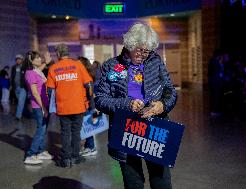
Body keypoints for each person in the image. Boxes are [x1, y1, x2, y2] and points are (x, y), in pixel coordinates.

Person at [95, 22, 177, 189]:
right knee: (133, 182)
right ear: (130, 44)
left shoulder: (156, 62)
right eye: (140, 49)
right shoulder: (111, 66)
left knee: (161, 181)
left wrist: (163, 105)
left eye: (147, 51)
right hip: (126, 129)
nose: (144, 54)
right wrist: (127, 104)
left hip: (155, 128)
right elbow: (101, 100)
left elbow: (170, 91)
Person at [46, 44, 94, 167]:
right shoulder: (78, 65)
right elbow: (88, 84)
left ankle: (66, 158)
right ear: (68, 53)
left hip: (63, 107)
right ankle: (75, 156)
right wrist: (91, 103)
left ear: (58, 54)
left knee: (65, 133)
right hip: (78, 106)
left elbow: (50, 90)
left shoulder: (53, 68)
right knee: (76, 132)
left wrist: (52, 106)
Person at [23, 51, 53, 165]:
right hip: (39, 106)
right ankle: (30, 154)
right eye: (38, 58)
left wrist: (46, 62)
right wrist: (43, 109)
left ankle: (40, 151)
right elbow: (35, 93)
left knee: (44, 129)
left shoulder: (36, 71)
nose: (40, 59)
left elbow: (40, 69)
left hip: (45, 104)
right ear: (31, 60)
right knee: (40, 130)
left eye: (40, 58)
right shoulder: (30, 73)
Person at [78, 57, 98, 157]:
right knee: (86, 127)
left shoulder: (87, 78)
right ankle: (88, 146)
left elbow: (90, 95)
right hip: (85, 105)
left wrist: (93, 109)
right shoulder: (85, 76)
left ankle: (91, 147)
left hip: (87, 106)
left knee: (87, 127)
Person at [11, 54, 27, 120]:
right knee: (21, 102)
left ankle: (18, 116)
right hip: (15, 87)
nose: (18, 60)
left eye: (19, 59)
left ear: (22, 60)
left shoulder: (25, 67)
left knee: (20, 101)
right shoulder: (13, 67)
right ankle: (25, 113)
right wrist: (11, 86)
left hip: (23, 87)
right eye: (17, 59)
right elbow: (12, 77)